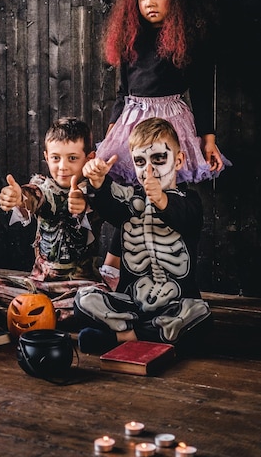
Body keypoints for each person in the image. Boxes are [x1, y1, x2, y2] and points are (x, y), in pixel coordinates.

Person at [96, 0, 231, 283]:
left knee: (164, 192)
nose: (149, 2)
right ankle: (114, 263)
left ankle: (172, 270)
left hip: (170, 122)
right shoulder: (132, 37)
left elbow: (201, 91)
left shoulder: (189, 39)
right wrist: (112, 130)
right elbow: (123, 92)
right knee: (132, 196)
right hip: (132, 122)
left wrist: (208, 139)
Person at [74, 117, 213, 355]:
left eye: (159, 159)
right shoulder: (130, 201)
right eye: (140, 161)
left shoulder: (190, 202)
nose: (149, 170)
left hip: (175, 304)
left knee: (200, 315)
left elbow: (186, 217)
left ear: (178, 160)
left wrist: (161, 199)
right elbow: (110, 206)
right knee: (82, 300)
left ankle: (124, 336)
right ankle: (148, 334)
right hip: (132, 304)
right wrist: (98, 183)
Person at [0, 117, 107, 328]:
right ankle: (51, 315)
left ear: (89, 158)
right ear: (46, 157)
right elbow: (34, 196)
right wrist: (19, 197)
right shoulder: (45, 188)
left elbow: (94, 207)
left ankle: (22, 315)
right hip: (38, 286)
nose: (62, 166)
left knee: (98, 297)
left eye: (72, 158)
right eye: (56, 158)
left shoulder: (95, 192)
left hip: (78, 285)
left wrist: (84, 204)